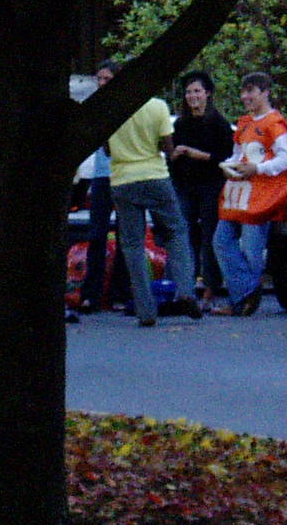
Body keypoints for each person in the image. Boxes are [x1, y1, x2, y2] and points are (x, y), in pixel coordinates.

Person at [105, 78, 203, 326]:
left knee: (132, 245)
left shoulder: (111, 109)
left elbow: (107, 149)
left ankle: (145, 310)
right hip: (155, 176)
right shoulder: (157, 106)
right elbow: (166, 147)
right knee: (177, 232)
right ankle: (184, 290)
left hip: (122, 179)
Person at [214, 72, 287, 316]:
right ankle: (246, 293)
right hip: (239, 193)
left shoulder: (275, 125)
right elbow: (238, 154)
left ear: (265, 92)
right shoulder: (245, 124)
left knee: (252, 248)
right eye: (243, 91)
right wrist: (230, 167)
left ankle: (242, 300)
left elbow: (286, 159)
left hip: (261, 196)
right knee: (221, 240)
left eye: (250, 91)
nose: (245, 96)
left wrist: (257, 168)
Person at [168, 70, 232, 300]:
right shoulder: (181, 124)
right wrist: (174, 154)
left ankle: (211, 286)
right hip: (184, 185)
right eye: (188, 92)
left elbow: (225, 157)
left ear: (207, 94)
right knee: (183, 233)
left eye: (197, 91)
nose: (192, 96)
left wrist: (198, 154)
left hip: (211, 185)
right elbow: (171, 156)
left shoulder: (219, 124)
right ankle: (184, 285)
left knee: (209, 236)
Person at [76, 61, 126, 313]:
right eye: (100, 79)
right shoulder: (95, 108)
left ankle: (120, 292)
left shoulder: (126, 107)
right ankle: (91, 294)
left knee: (126, 234)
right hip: (102, 175)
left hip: (125, 173)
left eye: (107, 79)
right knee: (97, 235)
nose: (102, 84)